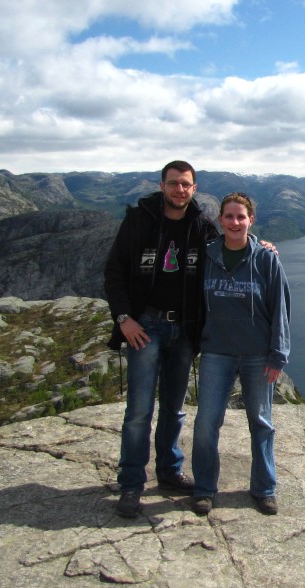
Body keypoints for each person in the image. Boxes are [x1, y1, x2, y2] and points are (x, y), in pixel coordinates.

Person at [104, 160, 218, 518]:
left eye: (186, 185)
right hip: (145, 328)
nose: (179, 190)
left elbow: (232, 251)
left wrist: (263, 248)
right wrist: (124, 319)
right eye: (173, 184)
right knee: (139, 410)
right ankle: (131, 485)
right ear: (162, 185)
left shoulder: (202, 226)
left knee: (174, 408)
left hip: (183, 331)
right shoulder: (139, 220)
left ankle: (169, 472)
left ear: (194, 189)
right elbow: (115, 270)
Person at [191, 192, 291, 516]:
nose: (235, 222)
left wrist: (278, 355)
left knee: (261, 422)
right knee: (206, 423)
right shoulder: (207, 257)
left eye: (241, 217)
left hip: (257, 356)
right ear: (220, 220)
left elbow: (280, 308)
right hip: (216, 353)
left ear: (251, 221)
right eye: (229, 217)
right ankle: (205, 488)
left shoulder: (266, 259)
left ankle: (264, 488)